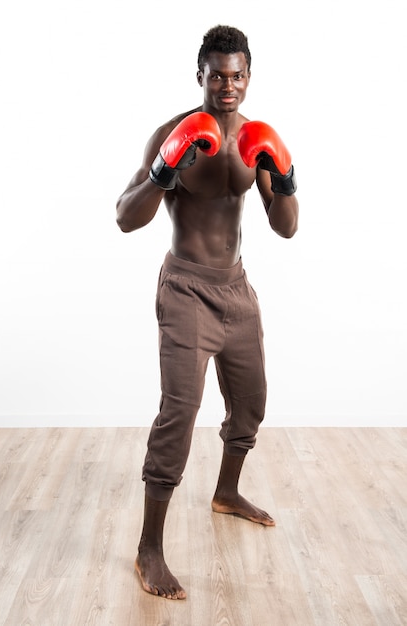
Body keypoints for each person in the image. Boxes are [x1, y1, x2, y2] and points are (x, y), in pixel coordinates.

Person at [116, 25, 299, 600]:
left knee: (251, 402)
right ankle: (150, 548)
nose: (228, 85)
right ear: (199, 74)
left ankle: (226, 492)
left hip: (236, 289)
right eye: (217, 74)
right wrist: (162, 172)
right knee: (180, 414)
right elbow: (125, 217)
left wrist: (286, 178)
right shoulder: (172, 134)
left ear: (249, 77)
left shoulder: (255, 139)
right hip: (186, 288)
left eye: (237, 75)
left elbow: (286, 227)